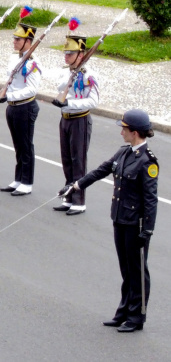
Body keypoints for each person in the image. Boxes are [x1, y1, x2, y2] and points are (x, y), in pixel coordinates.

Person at [60, 109, 158, 333]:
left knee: (137, 271)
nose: (121, 132)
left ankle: (137, 316)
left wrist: (148, 230)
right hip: (120, 218)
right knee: (126, 269)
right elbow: (101, 170)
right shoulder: (124, 153)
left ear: (134, 132)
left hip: (136, 225)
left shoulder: (147, 162)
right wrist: (75, 186)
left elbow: (151, 200)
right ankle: (123, 311)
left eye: (124, 128)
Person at [52, 29, 99, 215]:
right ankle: (69, 196)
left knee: (78, 161)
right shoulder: (69, 72)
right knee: (66, 161)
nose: (66, 56)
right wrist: (71, 76)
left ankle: (79, 201)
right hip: (65, 119)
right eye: (65, 53)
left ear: (81, 54)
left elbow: (93, 101)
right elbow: (60, 87)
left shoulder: (89, 75)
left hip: (80, 119)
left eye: (70, 53)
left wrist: (70, 103)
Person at [0, 22, 42, 196]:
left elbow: (32, 89)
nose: (14, 41)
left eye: (18, 39)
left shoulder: (33, 64)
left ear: (28, 41)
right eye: (14, 38)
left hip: (25, 107)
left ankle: (27, 182)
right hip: (13, 107)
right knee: (18, 145)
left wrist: (10, 96)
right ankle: (19, 178)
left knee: (26, 145)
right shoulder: (15, 58)